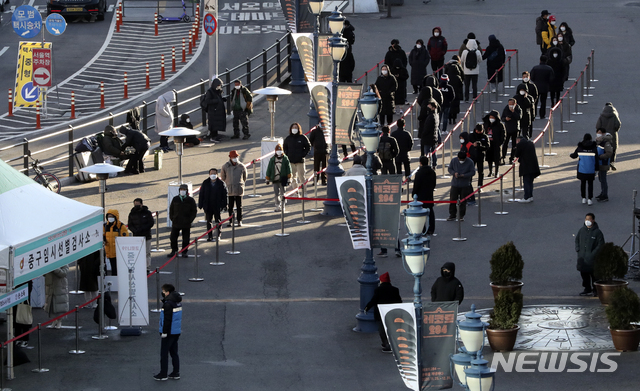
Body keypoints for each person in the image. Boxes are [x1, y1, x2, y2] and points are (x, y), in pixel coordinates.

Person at [364, 272, 402, 353]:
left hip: (380, 313)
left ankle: (386, 344)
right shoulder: (395, 290)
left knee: (382, 329)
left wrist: (366, 308)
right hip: (392, 312)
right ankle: (393, 344)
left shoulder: (378, 290)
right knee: (391, 328)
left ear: (381, 281)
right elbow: (399, 301)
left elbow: (373, 300)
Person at [154, 283, 182, 381]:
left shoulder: (168, 304)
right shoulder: (177, 302)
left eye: (164, 291)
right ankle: (175, 372)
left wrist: (164, 332)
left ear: (168, 292)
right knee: (174, 352)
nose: (163, 293)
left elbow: (167, 320)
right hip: (176, 331)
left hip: (169, 332)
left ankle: (163, 373)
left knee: (164, 353)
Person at [575, 213, 604, 297]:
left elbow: (600, 245)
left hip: (592, 259)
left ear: (593, 220)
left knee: (594, 275)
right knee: (584, 274)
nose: (587, 221)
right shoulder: (581, 230)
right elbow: (577, 240)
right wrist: (578, 249)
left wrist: (593, 254)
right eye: (586, 219)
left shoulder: (597, 232)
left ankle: (596, 290)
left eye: (589, 219)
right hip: (582, 258)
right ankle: (587, 289)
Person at [198, 169, 228, 241]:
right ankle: (210, 235)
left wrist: (224, 205)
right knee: (209, 221)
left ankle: (218, 235)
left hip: (217, 205)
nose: (213, 175)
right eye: (211, 173)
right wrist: (200, 204)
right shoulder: (205, 182)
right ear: (209, 174)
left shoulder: (221, 183)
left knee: (218, 220)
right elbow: (201, 194)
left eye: (214, 173)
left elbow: (225, 194)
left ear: (217, 174)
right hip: (208, 205)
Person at [168, 184, 197, 258]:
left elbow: (194, 211)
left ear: (187, 191)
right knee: (173, 237)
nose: (182, 191)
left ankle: (184, 251)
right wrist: (172, 218)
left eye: (184, 190)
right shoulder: (175, 199)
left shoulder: (190, 200)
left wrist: (190, 220)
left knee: (186, 238)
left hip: (186, 222)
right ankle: (174, 250)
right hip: (176, 222)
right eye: (181, 189)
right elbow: (171, 210)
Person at [570, 133, 599, 205]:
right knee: (590, 184)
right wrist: (597, 169)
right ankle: (590, 199)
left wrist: (570, 154)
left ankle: (583, 198)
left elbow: (574, 156)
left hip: (582, 169)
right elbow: (597, 159)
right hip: (591, 169)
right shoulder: (594, 148)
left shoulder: (580, 147)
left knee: (583, 183)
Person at [220, 150, 248, 225]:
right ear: (230, 157)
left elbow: (245, 177)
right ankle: (231, 220)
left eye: (236, 156)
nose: (235, 158)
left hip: (239, 188)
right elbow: (223, 177)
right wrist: (227, 183)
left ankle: (239, 220)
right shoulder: (225, 166)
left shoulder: (241, 166)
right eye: (234, 157)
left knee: (239, 206)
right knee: (230, 206)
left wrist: (241, 183)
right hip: (229, 188)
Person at [127, 198, 155, 271]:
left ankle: (147, 268)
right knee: (137, 253)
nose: (136, 206)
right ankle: (138, 267)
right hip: (136, 236)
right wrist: (134, 230)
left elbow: (151, 223)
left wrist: (143, 228)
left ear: (141, 204)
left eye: (138, 205)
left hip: (146, 236)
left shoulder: (147, 213)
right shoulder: (132, 213)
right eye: (135, 204)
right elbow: (130, 224)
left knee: (147, 253)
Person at [447, 151, 475, 221]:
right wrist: (454, 173)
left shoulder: (470, 162)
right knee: (452, 200)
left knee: (463, 201)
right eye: (460, 159)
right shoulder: (454, 160)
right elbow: (450, 169)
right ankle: (452, 215)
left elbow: (473, 172)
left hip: (465, 185)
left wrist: (464, 175)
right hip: (455, 184)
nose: (461, 161)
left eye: (463, 160)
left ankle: (461, 215)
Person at [283, 122, 311, 192]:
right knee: (293, 178)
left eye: (296, 128)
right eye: (293, 128)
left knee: (302, 178)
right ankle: (296, 192)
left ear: (298, 129)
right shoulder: (288, 138)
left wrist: (303, 154)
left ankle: (304, 192)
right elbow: (285, 147)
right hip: (291, 161)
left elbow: (308, 146)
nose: (294, 129)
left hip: (300, 161)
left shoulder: (303, 137)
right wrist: (287, 154)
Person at [412, 155, 437, 235]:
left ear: (420, 163)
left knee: (420, 213)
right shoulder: (432, 172)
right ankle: (431, 229)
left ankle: (422, 229)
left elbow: (416, 185)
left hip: (421, 195)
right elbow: (434, 183)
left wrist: (414, 193)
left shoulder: (419, 173)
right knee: (430, 212)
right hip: (429, 194)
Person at [265, 144, 292, 212]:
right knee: (276, 194)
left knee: (283, 193)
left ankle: (283, 206)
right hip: (275, 179)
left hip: (283, 179)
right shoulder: (272, 159)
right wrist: (267, 178)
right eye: (278, 150)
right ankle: (277, 206)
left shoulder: (285, 159)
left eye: (280, 150)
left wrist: (289, 178)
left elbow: (289, 169)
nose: (279, 152)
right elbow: (269, 169)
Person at [514, 135, 541, 203]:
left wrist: (516, 148)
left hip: (526, 166)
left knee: (526, 182)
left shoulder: (520, 144)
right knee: (530, 182)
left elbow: (517, 154)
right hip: (533, 165)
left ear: (518, 140)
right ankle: (530, 196)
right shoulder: (530, 143)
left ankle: (526, 197)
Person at [200, 77, 227, 142]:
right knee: (213, 124)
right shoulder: (210, 92)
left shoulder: (218, 91)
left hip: (217, 111)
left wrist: (222, 99)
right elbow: (208, 101)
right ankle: (213, 136)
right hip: (213, 111)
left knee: (217, 124)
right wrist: (217, 100)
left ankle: (215, 135)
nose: (219, 86)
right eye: (218, 85)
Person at [596, 102, 621, 169]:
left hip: (603, 135)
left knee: (603, 148)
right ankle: (612, 162)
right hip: (612, 134)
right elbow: (618, 124)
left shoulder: (601, 116)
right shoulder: (614, 115)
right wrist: (614, 130)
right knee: (613, 148)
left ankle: (604, 162)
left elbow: (597, 126)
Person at [104, 209, 128, 275]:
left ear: (116, 217)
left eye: (111, 216)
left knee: (116, 270)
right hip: (107, 252)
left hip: (117, 252)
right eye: (109, 216)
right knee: (106, 270)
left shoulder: (121, 226)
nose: (110, 218)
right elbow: (103, 235)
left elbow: (125, 237)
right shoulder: (105, 226)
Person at [483, 110, 505, 177]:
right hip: (489, 144)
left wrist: (499, 142)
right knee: (489, 158)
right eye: (490, 117)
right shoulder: (486, 124)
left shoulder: (500, 125)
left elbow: (503, 135)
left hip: (496, 144)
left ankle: (496, 172)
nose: (491, 118)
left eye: (493, 117)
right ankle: (490, 171)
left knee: (496, 159)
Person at [419, 99, 440, 168]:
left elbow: (427, 128)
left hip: (428, 138)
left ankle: (429, 166)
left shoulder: (431, 117)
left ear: (433, 107)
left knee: (427, 153)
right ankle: (434, 164)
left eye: (430, 106)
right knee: (434, 152)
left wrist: (423, 135)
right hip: (434, 137)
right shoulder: (436, 115)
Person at [469, 123, 489, 189]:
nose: (479, 132)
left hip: (480, 156)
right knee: (470, 171)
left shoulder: (485, 137)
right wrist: (473, 145)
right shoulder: (471, 136)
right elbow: (467, 145)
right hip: (472, 156)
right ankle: (469, 185)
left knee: (481, 171)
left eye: (481, 131)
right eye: (478, 131)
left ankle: (480, 185)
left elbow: (487, 146)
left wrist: (480, 146)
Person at [501, 98, 522, 164]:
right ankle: (503, 157)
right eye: (509, 104)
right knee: (505, 143)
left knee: (514, 144)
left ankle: (512, 158)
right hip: (507, 128)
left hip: (515, 129)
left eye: (512, 104)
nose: (510, 106)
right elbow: (502, 118)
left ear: (515, 104)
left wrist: (513, 112)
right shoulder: (506, 108)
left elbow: (519, 117)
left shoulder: (518, 109)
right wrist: (505, 119)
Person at [444, 56, 463, 124]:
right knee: (455, 107)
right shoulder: (457, 77)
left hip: (448, 94)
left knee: (449, 107)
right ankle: (454, 119)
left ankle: (449, 119)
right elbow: (461, 84)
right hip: (456, 94)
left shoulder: (447, 77)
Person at [595, 128, 613, 202]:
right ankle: (603, 193)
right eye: (597, 132)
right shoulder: (599, 141)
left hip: (603, 163)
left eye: (600, 133)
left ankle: (605, 195)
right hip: (600, 163)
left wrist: (600, 157)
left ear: (603, 133)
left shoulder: (606, 143)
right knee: (601, 179)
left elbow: (609, 153)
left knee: (603, 179)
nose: (598, 134)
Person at [521, 71, 539, 137]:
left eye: (526, 77)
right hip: (522, 107)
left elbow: (536, 95)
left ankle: (529, 135)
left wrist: (533, 102)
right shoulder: (521, 86)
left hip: (530, 106)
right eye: (524, 77)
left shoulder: (532, 86)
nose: (525, 78)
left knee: (530, 121)